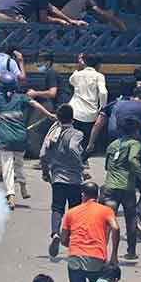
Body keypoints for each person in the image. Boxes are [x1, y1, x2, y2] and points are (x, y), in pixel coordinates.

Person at [0, 73, 56, 209]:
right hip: (20, 138)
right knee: (19, 164)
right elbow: (35, 104)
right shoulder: (21, 98)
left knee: (7, 168)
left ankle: (11, 196)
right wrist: (49, 115)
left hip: (5, 139)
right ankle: (23, 186)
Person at [60, 181, 120, 282]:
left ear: (83, 195)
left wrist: (73, 245)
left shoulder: (71, 212)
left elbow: (64, 239)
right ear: (97, 196)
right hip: (96, 258)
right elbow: (115, 228)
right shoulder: (106, 210)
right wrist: (114, 254)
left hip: (75, 257)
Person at [101, 116, 141, 260]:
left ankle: (102, 252)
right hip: (126, 188)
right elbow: (132, 160)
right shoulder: (134, 144)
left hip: (109, 187)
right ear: (136, 131)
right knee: (130, 220)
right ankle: (131, 252)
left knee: (106, 222)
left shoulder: (112, 145)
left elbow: (106, 166)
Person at [41, 105, 86, 258]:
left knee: (57, 208)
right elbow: (73, 148)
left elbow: (42, 154)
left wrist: (45, 172)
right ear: (72, 119)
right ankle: (73, 241)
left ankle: (55, 234)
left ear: (58, 118)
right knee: (75, 210)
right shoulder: (76, 133)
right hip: (74, 179)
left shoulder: (52, 133)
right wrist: (81, 167)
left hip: (57, 177)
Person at [69, 53, 108, 155]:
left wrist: (78, 67)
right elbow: (103, 92)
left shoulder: (76, 75)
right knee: (86, 139)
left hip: (75, 112)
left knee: (74, 138)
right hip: (91, 114)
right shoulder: (99, 76)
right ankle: (82, 161)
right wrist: (102, 107)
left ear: (84, 62)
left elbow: (71, 81)